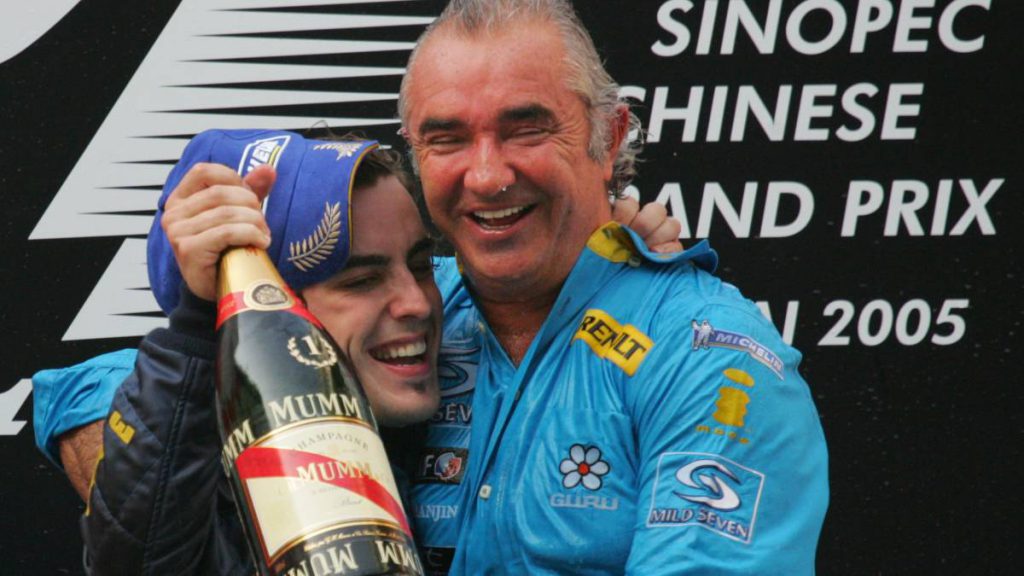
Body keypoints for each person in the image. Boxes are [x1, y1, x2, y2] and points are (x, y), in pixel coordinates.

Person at [32, 128, 680, 573]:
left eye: (421, 263)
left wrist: (609, 278)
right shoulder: (203, 502)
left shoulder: (449, 349)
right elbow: (82, 404)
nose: (418, 302)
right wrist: (197, 328)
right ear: (254, 319)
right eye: (362, 280)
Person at [394, 0, 828, 574]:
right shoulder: (398, 314)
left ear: (610, 135)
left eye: (527, 131)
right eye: (447, 139)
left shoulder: (709, 354)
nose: (488, 175)